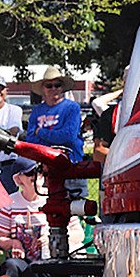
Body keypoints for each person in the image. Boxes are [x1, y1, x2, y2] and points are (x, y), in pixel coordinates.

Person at [26, 66, 86, 195]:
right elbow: (30, 140)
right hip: (45, 169)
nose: (54, 89)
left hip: (71, 166)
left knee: (77, 209)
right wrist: (55, 137)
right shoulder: (37, 111)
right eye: (49, 85)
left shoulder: (72, 108)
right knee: (49, 208)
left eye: (57, 85)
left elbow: (68, 137)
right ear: (43, 88)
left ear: (62, 87)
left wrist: (41, 132)